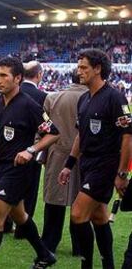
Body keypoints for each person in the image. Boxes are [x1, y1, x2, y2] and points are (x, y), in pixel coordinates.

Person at [0, 57, 59, 269]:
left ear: (18, 78)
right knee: (18, 215)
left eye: (3, 76)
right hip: (1, 167)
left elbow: (54, 134)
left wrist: (31, 150)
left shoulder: (29, 105)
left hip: (19, 170)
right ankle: (45, 254)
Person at [59, 49, 132, 269]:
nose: (78, 71)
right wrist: (69, 165)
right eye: (78, 67)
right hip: (87, 165)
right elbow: (81, 135)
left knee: (78, 214)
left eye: (84, 67)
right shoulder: (83, 99)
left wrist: (121, 174)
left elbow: (128, 137)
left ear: (98, 69)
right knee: (99, 217)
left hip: (106, 165)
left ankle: (86, 265)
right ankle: (108, 265)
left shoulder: (115, 97)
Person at [40, 71, 87, 254]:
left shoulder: (53, 98)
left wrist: (42, 155)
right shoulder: (92, 98)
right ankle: (80, 245)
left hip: (57, 152)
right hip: (84, 156)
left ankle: (49, 242)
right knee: (81, 200)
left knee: (54, 200)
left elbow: (43, 128)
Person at [14, 60, 47, 239]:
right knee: (30, 190)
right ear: (39, 75)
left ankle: (4, 223)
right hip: (31, 149)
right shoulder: (43, 96)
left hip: (9, 147)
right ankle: (22, 230)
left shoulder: (14, 90)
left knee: (8, 186)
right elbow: (47, 128)